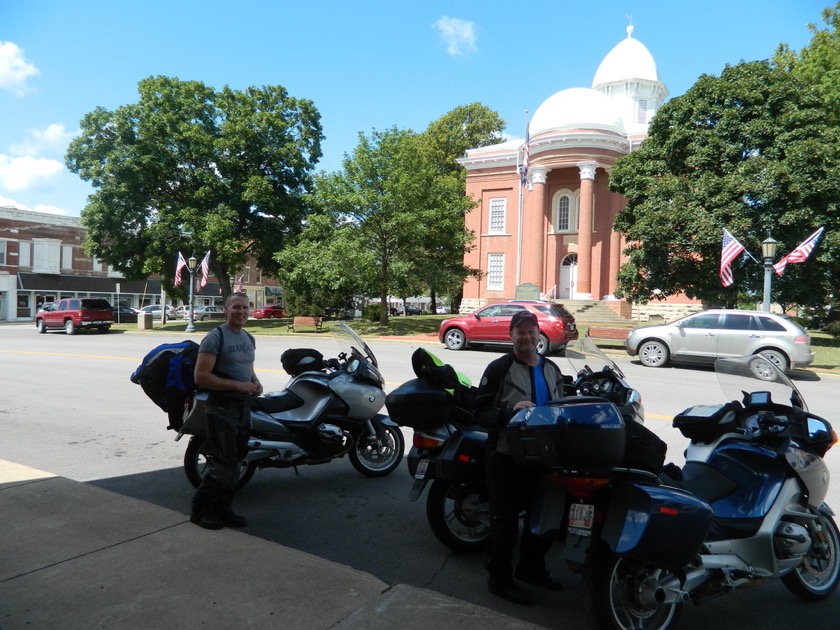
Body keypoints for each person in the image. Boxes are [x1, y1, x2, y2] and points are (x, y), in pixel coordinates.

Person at [474, 310, 567, 605]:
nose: (526, 337)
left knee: (544, 518)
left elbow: (560, 406)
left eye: (531, 331)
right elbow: (480, 413)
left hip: (542, 459)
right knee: (505, 522)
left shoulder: (551, 369)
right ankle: (499, 581)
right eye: (520, 332)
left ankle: (531, 569)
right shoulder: (499, 368)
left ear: (538, 334)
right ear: (510, 335)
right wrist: (509, 413)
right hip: (505, 457)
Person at [190, 292, 263, 530]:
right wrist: (236, 385)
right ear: (226, 310)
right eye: (236, 307)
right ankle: (200, 510)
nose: (241, 312)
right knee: (222, 464)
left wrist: (254, 381)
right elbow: (201, 377)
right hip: (221, 409)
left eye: (245, 307)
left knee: (236, 463)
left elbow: (245, 368)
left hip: (242, 407)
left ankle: (224, 509)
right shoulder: (215, 337)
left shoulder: (248, 338)